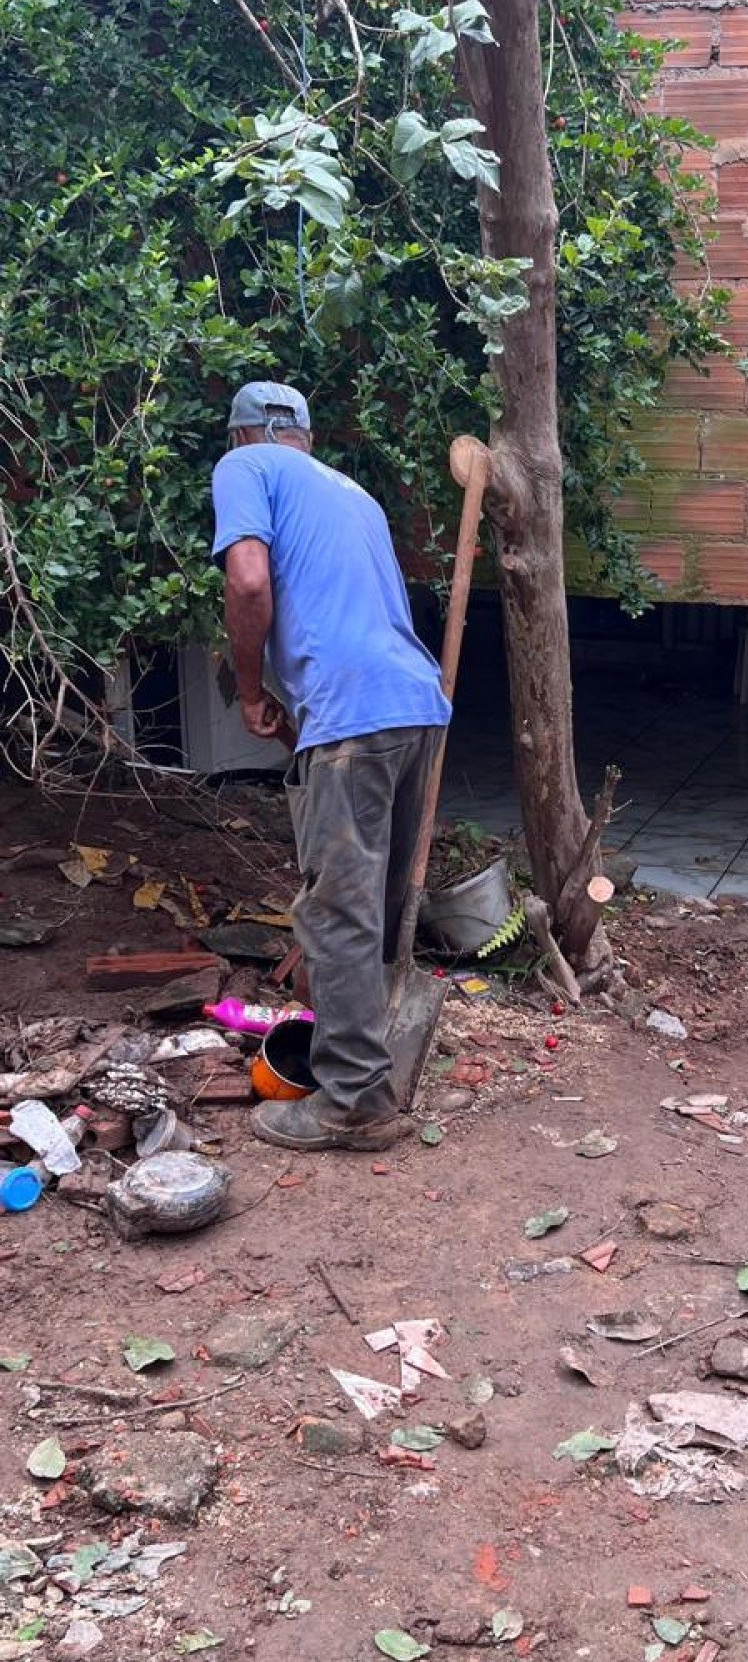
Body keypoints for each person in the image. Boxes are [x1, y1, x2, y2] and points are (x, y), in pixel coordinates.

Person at [211, 380, 451, 1152]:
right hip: (415, 706)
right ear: (306, 438)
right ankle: (362, 1050)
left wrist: (252, 691)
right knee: (368, 903)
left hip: (354, 710)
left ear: (242, 434)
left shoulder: (244, 468)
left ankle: (354, 1101)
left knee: (339, 910)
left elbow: (249, 579)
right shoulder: (355, 495)